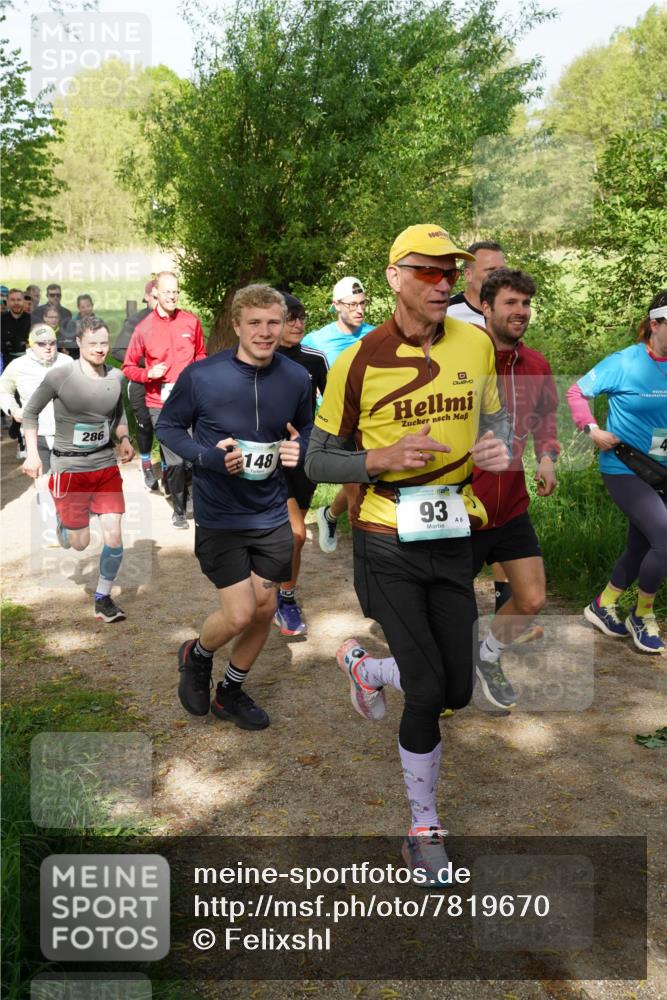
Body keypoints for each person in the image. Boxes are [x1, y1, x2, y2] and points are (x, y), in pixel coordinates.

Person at [305, 224, 510, 882]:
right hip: (385, 533)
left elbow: (491, 418)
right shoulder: (355, 361)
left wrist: (492, 446)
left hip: (453, 530)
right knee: (427, 688)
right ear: (394, 277)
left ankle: (368, 671)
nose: (441, 282)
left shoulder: (475, 344)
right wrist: (378, 458)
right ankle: (423, 829)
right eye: (425, 271)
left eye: (448, 272)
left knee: (456, 689)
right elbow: (315, 459)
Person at [156, 284, 313, 730]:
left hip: (270, 513)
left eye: (273, 323)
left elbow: (306, 428)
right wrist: (207, 456)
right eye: (255, 323)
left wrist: (298, 448)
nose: (265, 332)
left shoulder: (297, 378)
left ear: (283, 325)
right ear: (237, 325)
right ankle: (198, 653)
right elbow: (168, 425)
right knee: (240, 612)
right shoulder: (203, 376)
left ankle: (230, 691)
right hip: (221, 514)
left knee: (264, 611)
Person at [566, 290, 667, 654]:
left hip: (664, 469)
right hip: (625, 465)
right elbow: (576, 392)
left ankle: (603, 603)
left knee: (643, 543)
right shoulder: (624, 362)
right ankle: (642, 615)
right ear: (654, 324)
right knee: (665, 537)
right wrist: (591, 429)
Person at [21, 317, 134, 623]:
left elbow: (118, 415)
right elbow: (30, 414)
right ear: (79, 344)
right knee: (79, 542)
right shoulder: (61, 375)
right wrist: (33, 455)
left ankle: (103, 597)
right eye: (93, 343)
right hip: (69, 468)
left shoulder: (116, 376)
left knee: (113, 535)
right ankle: (62, 521)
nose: (100, 349)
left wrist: (123, 438)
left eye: (104, 343)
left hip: (104, 466)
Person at [122, 271, 206, 527]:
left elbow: (201, 354)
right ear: (155, 293)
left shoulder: (191, 322)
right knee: (175, 459)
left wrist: (198, 376)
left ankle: (191, 495)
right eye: (167, 291)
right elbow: (128, 367)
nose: (172, 296)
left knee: (194, 457)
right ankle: (179, 509)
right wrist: (148, 373)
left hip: (190, 402)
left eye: (176, 291)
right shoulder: (143, 328)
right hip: (159, 404)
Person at [302, 277, 374, 553]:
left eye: (362, 303)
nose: (359, 309)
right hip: (337, 424)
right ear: (336, 306)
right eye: (352, 304)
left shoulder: (376, 335)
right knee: (356, 485)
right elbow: (301, 372)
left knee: (366, 480)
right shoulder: (317, 340)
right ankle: (367, 553)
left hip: (370, 422)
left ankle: (329, 515)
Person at [273, 292, 328, 636]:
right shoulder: (258, 358)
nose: (297, 323)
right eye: (289, 317)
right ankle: (282, 600)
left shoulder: (313, 359)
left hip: (302, 459)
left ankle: (284, 597)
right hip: (264, 460)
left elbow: (337, 407)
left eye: (301, 316)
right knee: (295, 534)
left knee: (294, 536)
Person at [0, 324, 73, 472]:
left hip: (67, 433)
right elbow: (4, 391)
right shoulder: (18, 365)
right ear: (31, 344)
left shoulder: (67, 362)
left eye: (52, 343)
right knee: (43, 484)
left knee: (69, 485)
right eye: (41, 344)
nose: (48, 347)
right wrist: (13, 410)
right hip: (36, 434)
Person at [112, 280, 161, 493]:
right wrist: (148, 365)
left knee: (168, 427)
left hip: (168, 383)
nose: (161, 302)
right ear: (148, 297)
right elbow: (118, 351)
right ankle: (146, 463)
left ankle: (170, 470)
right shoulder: (137, 320)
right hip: (141, 382)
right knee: (146, 425)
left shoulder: (177, 319)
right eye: (156, 297)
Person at [447, 240, 506, 329]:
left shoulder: (508, 310)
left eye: (503, 270)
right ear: (468, 275)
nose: (500, 276)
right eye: (491, 270)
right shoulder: (447, 312)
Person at [61, 294, 99, 360]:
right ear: (79, 308)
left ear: (92, 306)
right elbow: (68, 343)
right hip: (77, 357)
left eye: (88, 306)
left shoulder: (99, 322)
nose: (86, 309)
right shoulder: (72, 323)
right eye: (83, 307)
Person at [1, 288, 31, 369]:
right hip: (6, 364)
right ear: (7, 302)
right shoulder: (1, 320)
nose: (16, 303)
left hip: (28, 364)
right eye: (12, 300)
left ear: (24, 302)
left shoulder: (33, 320)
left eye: (19, 300)